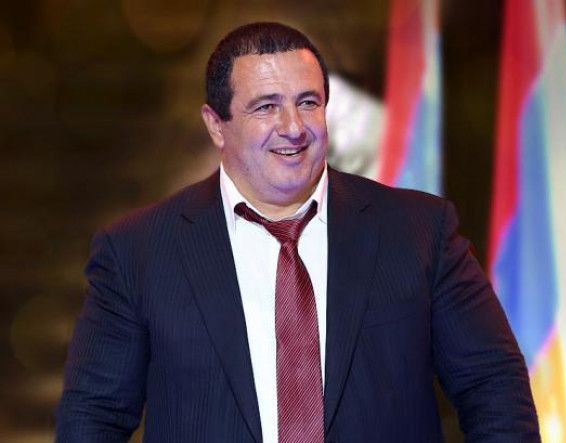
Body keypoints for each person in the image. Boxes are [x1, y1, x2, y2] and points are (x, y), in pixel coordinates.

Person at [56, 22, 539, 442]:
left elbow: (493, 385)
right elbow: (93, 418)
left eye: (308, 103)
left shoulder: (419, 231)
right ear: (216, 125)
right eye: (266, 107)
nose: (293, 127)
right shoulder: (138, 252)